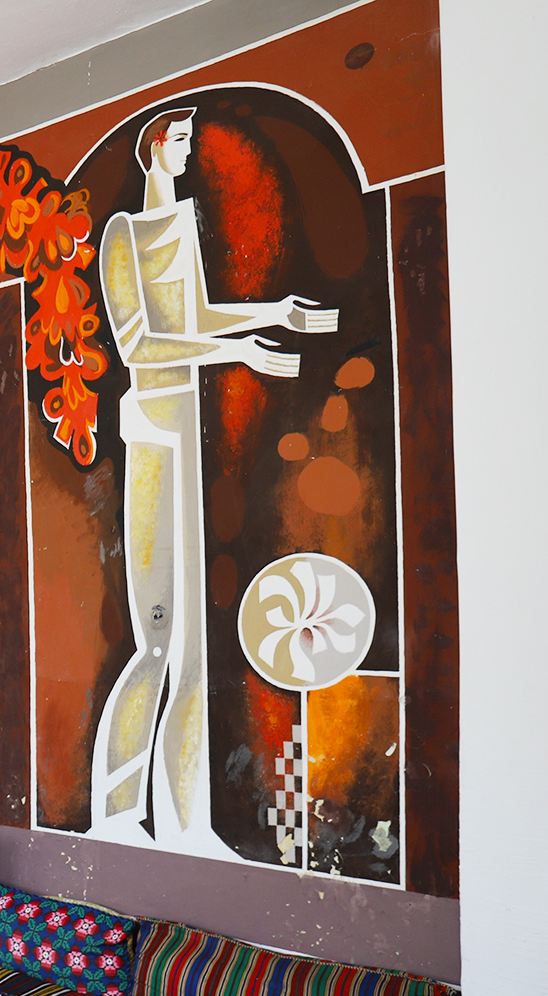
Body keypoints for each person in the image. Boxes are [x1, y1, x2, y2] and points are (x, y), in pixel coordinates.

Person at [89, 108, 338, 855]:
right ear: (152, 148)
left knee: (194, 650)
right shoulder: (123, 234)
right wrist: (239, 352)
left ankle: (185, 821)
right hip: (152, 435)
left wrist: (273, 313)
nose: (188, 151)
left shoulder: (180, 226)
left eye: (191, 141)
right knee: (155, 641)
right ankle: (117, 812)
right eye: (179, 141)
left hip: (185, 429)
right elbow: (141, 342)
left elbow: (194, 315)